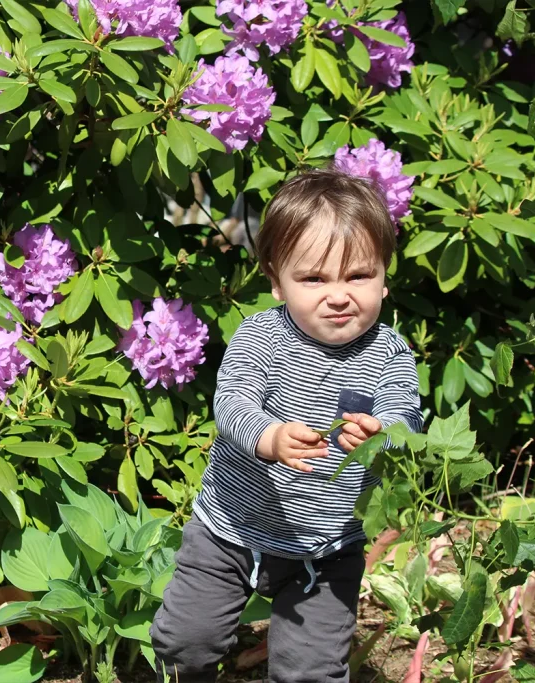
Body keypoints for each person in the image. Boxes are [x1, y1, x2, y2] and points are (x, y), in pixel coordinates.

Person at [149, 168, 424, 683]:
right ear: (277, 281)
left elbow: (407, 413)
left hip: (327, 548)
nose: (338, 295)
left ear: (385, 277)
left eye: (358, 276)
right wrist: (268, 436)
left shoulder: (390, 353)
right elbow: (230, 402)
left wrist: (383, 430)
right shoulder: (261, 337)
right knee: (188, 642)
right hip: (228, 533)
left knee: (310, 671)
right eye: (314, 279)